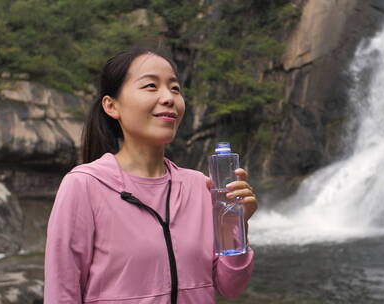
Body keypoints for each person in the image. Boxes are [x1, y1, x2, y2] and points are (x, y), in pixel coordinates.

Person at [44, 47, 257, 304]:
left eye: (175, 88)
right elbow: (61, 293)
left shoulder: (202, 186)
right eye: (150, 86)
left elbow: (230, 287)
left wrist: (235, 224)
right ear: (112, 106)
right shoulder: (85, 185)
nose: (168, 98)